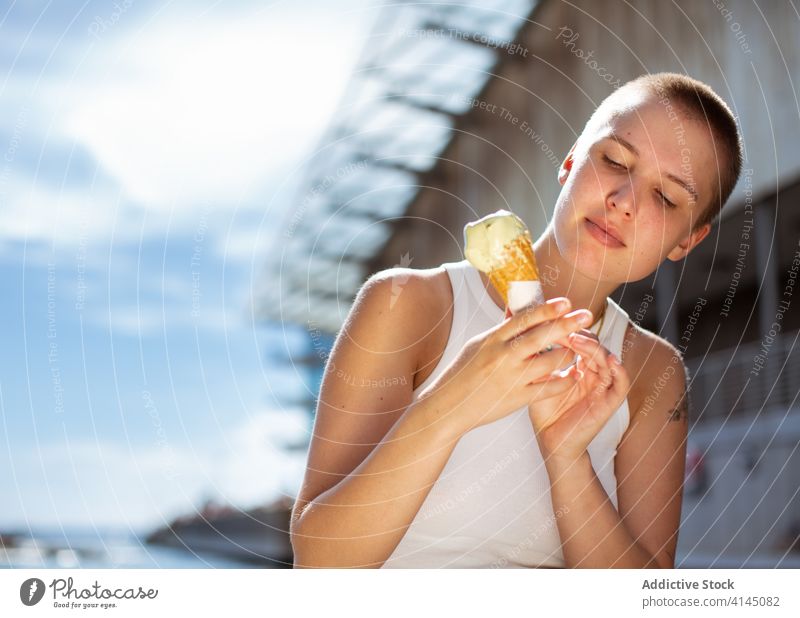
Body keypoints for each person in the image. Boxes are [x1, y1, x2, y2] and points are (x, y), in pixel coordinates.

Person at [289, 72, 743, 568]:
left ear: (687, 240)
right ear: (569, 163)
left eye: (666, 197)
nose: (624, 201)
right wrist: (452, 405)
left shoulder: (653, 374)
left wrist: (568, 457)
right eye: (614, 160)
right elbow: (319, 561)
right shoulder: (407, 304)